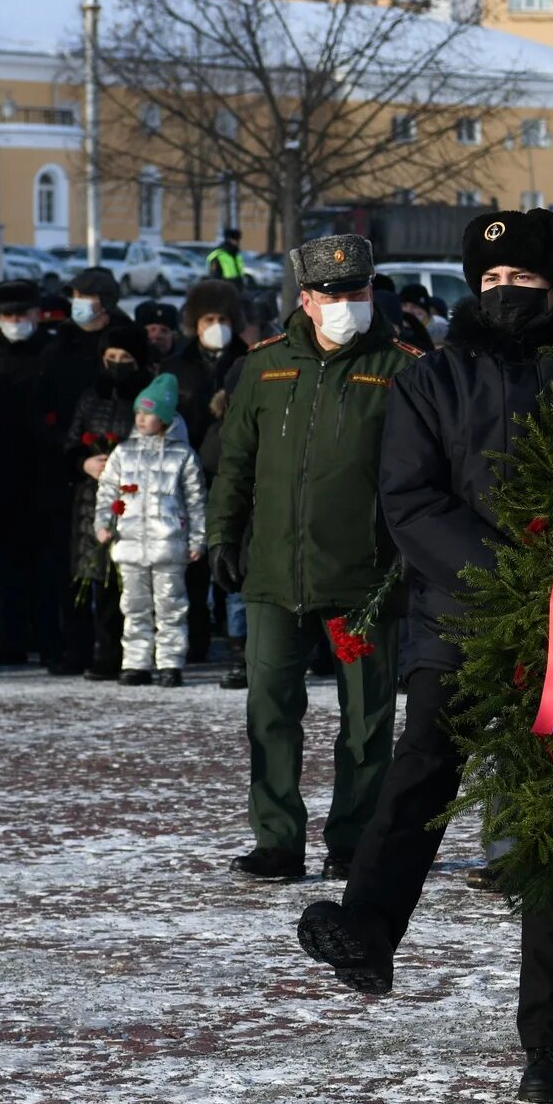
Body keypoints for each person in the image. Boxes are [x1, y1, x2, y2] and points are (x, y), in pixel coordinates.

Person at [296, 210, 553, 1104]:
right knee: (420, 767)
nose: (505, 294)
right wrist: (510, 579)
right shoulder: (435, 381)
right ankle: (369, 929)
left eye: (524, 281)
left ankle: (550, 1042)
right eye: (491, 279)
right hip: (460, 616)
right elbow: (410, 498)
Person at [209, 233, 415, 879]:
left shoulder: (401, 367)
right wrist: (222, 534)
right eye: (331, 294)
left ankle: (354, 839)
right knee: (269, 708)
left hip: (363, 583)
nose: (344, 304)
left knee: (365, 718)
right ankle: (277, 838)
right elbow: (234, 462)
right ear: (305, 297)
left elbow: (419, 471)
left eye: (355, 292)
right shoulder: (264, 367)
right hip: (274, 575)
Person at [0, 279, 60, 667]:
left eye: (23, 315)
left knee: (49, 565)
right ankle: (12, 639)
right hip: (0, 475)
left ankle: (50, 638)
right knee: (6, 566)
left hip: (47, 474)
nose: (16, 321)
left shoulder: (53, 355)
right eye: (8, 316)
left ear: (37, 315)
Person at [95, 373, 207, 688]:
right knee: (133, 605)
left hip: (169, 544)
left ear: (166, 416)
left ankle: (170, 662)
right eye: (138, 413)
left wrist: (198, 538)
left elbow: (197, 502)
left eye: (149, 412)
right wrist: (104, 523)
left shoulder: (183, 455)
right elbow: (107, 492)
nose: (141, 418)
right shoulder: (123, 452)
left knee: (171, 604)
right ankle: (135, 662)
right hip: (130, 543)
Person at [61, 330, 150, 681]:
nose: (115, 365)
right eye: (110, 357)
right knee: (93, 579)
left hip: (132, 498)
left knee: (127, 583)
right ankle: (92, 651)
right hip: (91, 501)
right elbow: (71, 441)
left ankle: (127, 653)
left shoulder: (145, 398)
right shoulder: (89, 397)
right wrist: (84, 463)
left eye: (124, 358)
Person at [185, 277, 252, 685]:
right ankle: (195, 639)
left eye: (222, 318)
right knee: (194, 571)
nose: (215, 325)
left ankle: (237, 646)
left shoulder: (251, 360)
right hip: (191, 481)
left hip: (235, 484)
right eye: (208, 318)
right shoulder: (180, 364)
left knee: (234, 576)